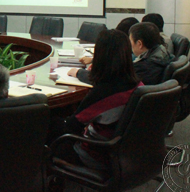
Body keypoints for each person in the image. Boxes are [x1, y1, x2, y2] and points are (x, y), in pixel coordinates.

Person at [51, 30, 142, 172]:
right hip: (128, 154)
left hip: (97, 155)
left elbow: (71, 127)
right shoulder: (138, 84)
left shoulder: (103, 93)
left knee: (48, 126)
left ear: (99, 56)